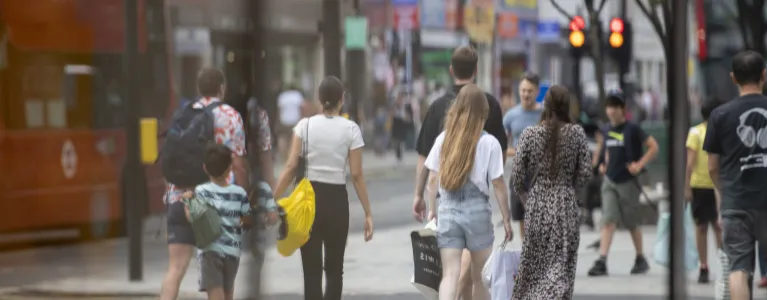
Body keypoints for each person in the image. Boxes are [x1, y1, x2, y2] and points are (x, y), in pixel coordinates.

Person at [413, 46, 508, 300]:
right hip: (478, 209)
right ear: (476, 70)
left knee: (450, 275)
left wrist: (425, 201)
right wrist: (506, 218)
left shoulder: (438, 114)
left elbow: (429, 168)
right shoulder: (490, 114)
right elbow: (498, 178)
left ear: (451, 69)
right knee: (481, 277)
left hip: (448, 208)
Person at [273, 76, 374, 300]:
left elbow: (290, 167)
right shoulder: (351, 129)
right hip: (337, 201)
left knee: (311, 272)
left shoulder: (304, 126)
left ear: (319, 100)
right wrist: (368, 213)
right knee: (335, 270)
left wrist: (274, 199)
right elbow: (357, 175)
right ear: (342, 99)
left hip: (308, 201)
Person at [160, 68, 248, 300]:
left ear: (199, 89)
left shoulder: (182, 113)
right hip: (215, 205)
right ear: (221, 88)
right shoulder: (229, 115)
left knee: (175, 269)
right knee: (217, 277)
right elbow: (238, 164)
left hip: (180, 198)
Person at [510, 85, 591, 299]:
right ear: (567, 106)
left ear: (544, 106)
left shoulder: (529, 134)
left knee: (533, 272)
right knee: (562, 272)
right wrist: (568, 185)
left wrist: (529, 201)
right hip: (566, 207)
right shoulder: (577, 134)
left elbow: (517, 178)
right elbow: (585, 175)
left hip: (537, 207)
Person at [702, 50, 767, 300]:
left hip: (736, 204)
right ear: (764, 75)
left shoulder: (719, 116)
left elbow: (712, 167)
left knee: (739, 267)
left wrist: (725, 189)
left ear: (733, 78)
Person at [587, 90, 659, 277]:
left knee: (632, 223)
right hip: (610, 181)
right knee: (608, 220)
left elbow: (653, 147)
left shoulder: (633, 129)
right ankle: (602, 260)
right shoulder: (605, 130)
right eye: (609, 106)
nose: (611, 110)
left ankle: (640, 258)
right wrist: (602, 165)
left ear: (622, 109)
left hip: (628, 182)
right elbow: (605, 151)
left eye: (615, 106)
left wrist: (639, 164)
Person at [192, 144, 251, 300]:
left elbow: (196, 217)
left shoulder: (201, 191)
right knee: (227, 292)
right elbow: (247, 220)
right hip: (232, 251)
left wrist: (187, 201)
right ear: (229, 168)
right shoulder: (239, 193)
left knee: (215, 292)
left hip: (211, 250)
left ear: (205, 168)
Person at [685, 97, 724, 284]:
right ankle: (703, 265)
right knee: (702, 227)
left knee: (718, 226)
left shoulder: (721, 132)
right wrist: (686, 187)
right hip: (700, 185)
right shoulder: (696, 133)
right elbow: (689, 163)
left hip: (716, 185)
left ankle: (723, 263)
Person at [502, 72, 542, 240]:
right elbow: (501, 147)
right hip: (519, 174)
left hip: (541, 175)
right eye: (523, 90)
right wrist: (517, 151)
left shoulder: (546, 114)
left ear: (537, 92)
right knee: (523, 219)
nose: (526, 94)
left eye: (530, 91)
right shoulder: (511, 116)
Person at [277, 85, 305, 161]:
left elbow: (280, 110)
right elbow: (301, 109)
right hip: (295, 121)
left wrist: (278, 120)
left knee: (284, 139)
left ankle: (284, 157)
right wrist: (302, 119)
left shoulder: (282, 96)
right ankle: (293, 157)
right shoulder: (298, 95)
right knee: (294, 139)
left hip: (284, 121)